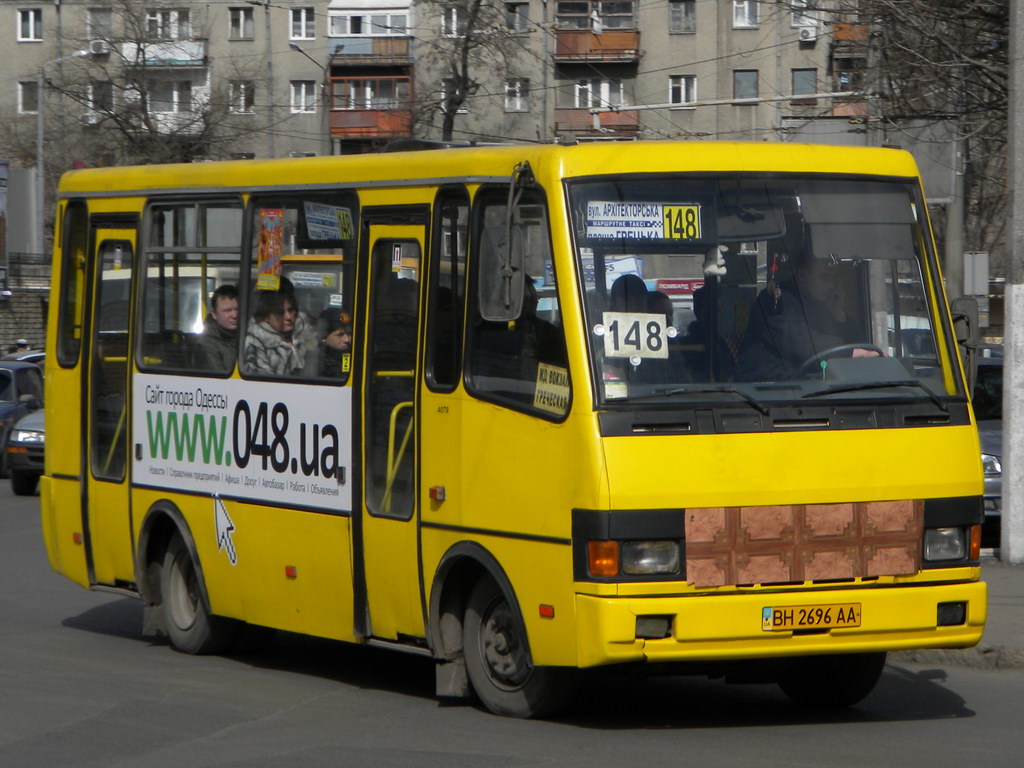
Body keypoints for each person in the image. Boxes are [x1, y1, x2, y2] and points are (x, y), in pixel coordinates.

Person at [735, 252, 878, 381]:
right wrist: (852, 353)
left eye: (834, 279)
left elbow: (858, 344)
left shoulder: (822, 305)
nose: (830, 286)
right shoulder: (775, 300)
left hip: (808, 387)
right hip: (764, 390)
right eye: (824, 278)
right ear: (803, 276)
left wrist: (838, 313)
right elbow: (800, 343)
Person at [243, 282, 318, 376]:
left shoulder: (304, 332)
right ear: (266, 316)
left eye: (291, 310)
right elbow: (261, 382)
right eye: (280, 312)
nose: (288, 317)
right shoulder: (256, 342)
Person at [194, 284, 239, 371]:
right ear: (214, 314)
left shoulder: (249, 336)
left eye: (238, 309)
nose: (235, 315)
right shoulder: (206, 345)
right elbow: (219, 380)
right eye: (227, 310)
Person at [317, 309, 352, 378]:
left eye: (349, 334)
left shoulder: (353, 357)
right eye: (340, 334)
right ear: (323, 337)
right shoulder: (315, 362)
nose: (347, 340)